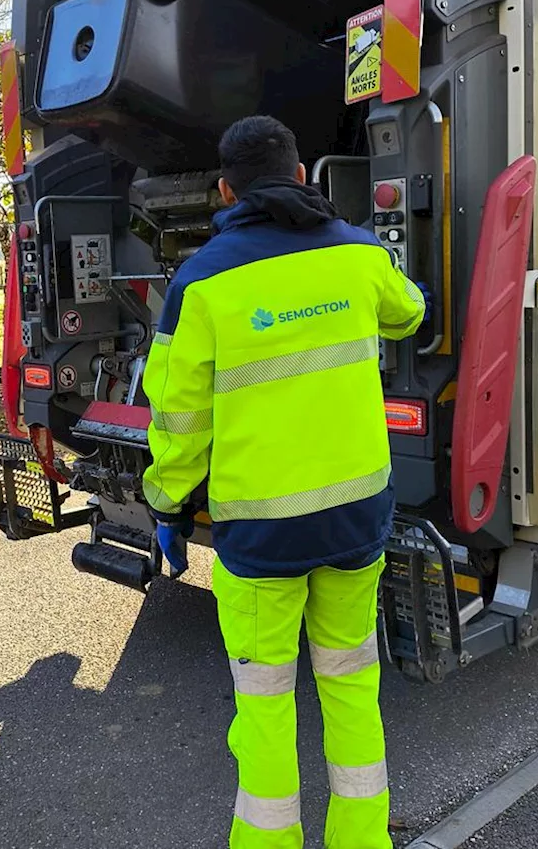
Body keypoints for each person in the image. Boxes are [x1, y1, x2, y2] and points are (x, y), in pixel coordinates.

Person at [141, 115, 428, 848]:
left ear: (225, 191)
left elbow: (177, 419)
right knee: (352, 684)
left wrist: (168, 503)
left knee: (266, 706)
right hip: (357, 522)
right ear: (303, 176)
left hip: (263, 538)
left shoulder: (201, 280)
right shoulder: (360, 255)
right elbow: (411, 312)